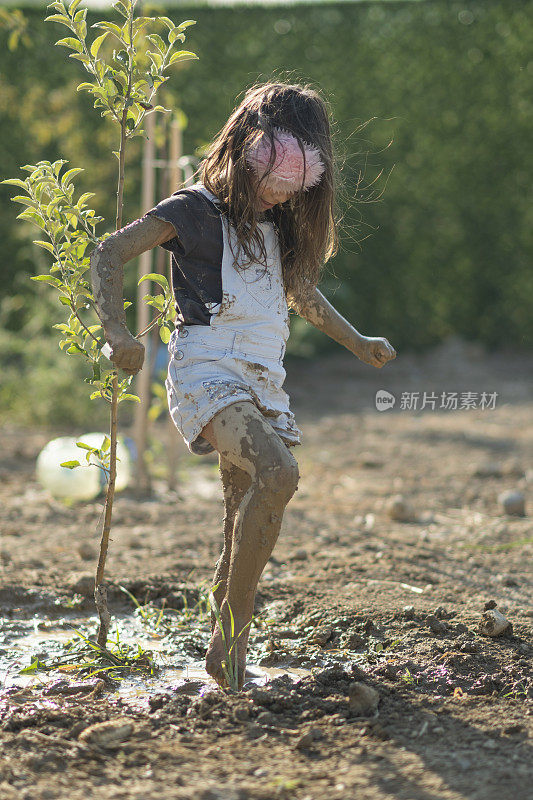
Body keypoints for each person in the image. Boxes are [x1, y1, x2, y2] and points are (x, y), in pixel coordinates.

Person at [90, 80, 396, 689]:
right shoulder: (192, 210)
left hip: (263, 380)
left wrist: (358, 342)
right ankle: (234, 634)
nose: (273, 201)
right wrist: (117, 334)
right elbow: (108, 252)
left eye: (287, 193)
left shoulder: (277, 226)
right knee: (279, 475)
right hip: (206, 375)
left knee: (241, 517)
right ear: (247, 157)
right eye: (267, 186)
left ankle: (221, 651)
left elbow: (301, 296)